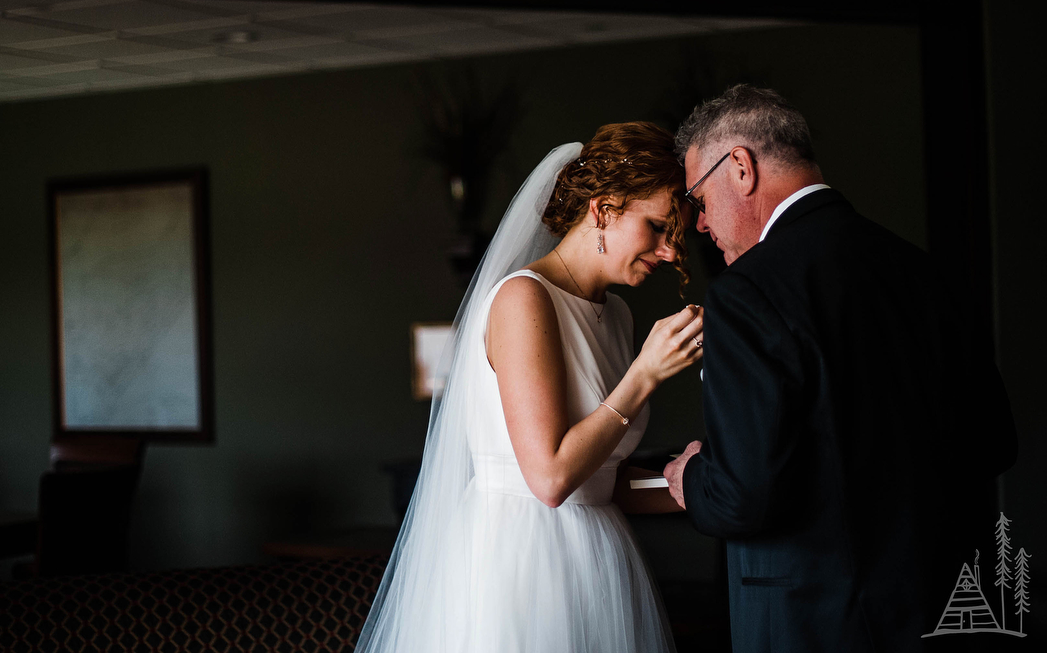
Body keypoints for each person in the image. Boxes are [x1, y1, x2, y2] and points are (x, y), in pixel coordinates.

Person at [662, 85, 1018, 652]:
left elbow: (741, 497)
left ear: (740, 167)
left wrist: (694, 475)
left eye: (698, 200)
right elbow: (993, 442)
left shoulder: (746, 292)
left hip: (814, 621)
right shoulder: (921, 270)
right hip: (943, 610)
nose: (701, 224)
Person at [356, 122, 705, 653]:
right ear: (604, 209)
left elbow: (601, 481)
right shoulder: (524, 299)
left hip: (602, 565)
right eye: (658, 228)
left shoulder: (618, 316)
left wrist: (697, 484)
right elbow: (549, 477)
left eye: (675, 237)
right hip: (520, 566)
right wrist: (645, 375)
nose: (670, 253)